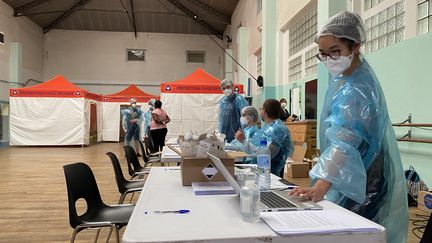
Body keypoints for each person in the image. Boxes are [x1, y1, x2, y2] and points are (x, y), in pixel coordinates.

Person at [288, 11, 408, 243]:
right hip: (359, 171)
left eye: (335, 51)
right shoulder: (349, 77)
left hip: (365, 176)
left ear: (355, 46)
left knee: (355, 233)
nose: (329, 59)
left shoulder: (355, 89)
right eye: (323, 54)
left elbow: (345, 141)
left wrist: (321, 186)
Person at [248, 99, 294, 177]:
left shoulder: (277, 129)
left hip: (270, 173)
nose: (260, 111)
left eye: (261, 109)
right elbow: (261, 147)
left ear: (264, 111)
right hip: (264, 171)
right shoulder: (269, 127)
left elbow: (267, 153)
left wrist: (246, 145)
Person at [218, 78, 248, 143]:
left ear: (232, 86)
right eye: (223, 88)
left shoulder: (239, 99)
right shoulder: (222, 101)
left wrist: (245, 133)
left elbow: (246, 118)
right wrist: (220, 132)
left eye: (228, 87)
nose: (226, 89)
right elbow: (220, 119)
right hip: (224, 133)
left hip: (236, 134)